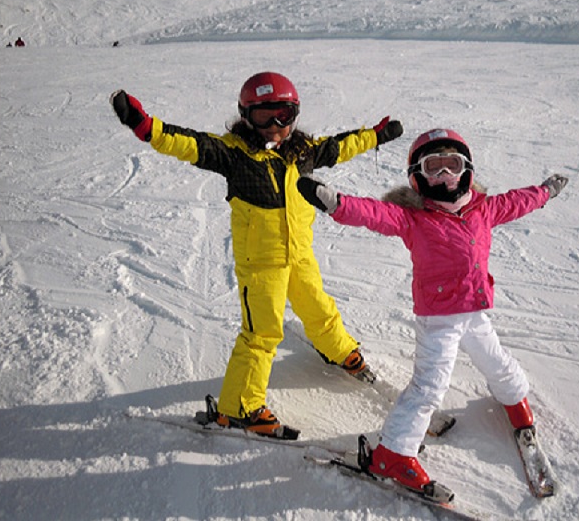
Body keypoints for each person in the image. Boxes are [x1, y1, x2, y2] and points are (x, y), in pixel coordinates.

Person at [110, 71, 403, 437]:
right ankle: (240, 408)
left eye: (284, 114)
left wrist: (375, 136)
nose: (276, 125)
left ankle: (338, 349)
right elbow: (188, 143)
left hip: (298, 253)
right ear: (246, 116)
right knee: (261, 331)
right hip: (261, 262)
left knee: (317, 305)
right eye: (265, 116)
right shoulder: (234, 154)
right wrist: (145, 126)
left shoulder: (303, 151)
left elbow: (340, 146)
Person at [297, 128, 568, 492]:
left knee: (497, 361)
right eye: (432, 167)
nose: (443, 176)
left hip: (474, 310)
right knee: (429, 387)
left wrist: (544, 192)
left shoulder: (482, 209)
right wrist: (336, 202)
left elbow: (517, 201)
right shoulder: (414, 217)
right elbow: (374, 213)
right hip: (439, 318)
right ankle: (393, 453)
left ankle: (514, 401)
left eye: (451, 166)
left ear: (467, 170)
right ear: (417, 175)